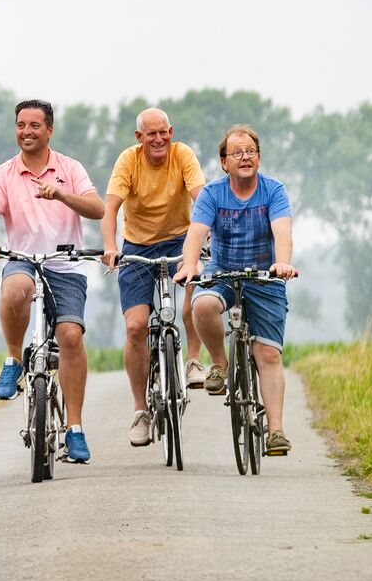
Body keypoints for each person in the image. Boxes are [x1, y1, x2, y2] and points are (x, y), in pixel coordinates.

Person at [0, 99, 105, 464]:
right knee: (15, 289)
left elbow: (98, 209)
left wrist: (61, 193)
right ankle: (14, 359)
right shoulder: (4, 174)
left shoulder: (70, 168)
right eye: (20, 125)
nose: (26, 132)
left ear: (49, 130)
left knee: (71, 337)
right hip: (24, 261)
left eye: (34, 125)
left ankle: (74, 429)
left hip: (65, 264)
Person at [174, 123, 300, 457]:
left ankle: (276, 432)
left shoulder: (274, 191)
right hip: (222, 272)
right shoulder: (213, 193)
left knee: (268, 354)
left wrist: (282, 263)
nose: (245, 157)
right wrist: (189, 266)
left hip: (264, 275)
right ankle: (220, 364)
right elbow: (196, 234)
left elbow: (283, 231)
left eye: (251, 152)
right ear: (224, 161)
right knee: (202, 306)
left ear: (258, 157)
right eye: (237, 153)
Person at [102, 107, 208, 446]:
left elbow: (201, 199)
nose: (159, 139)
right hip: (137, 247)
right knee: (135, 326)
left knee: (197, 283)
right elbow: (110, 209)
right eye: (151, 134)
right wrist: (109, 245)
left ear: (171, 131)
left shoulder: (182, 155)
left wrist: (206, 235)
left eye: (164, 132)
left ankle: (192, 361)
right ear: (139, 138)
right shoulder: (128, 162)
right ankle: (140, 411)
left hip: (180, 239)